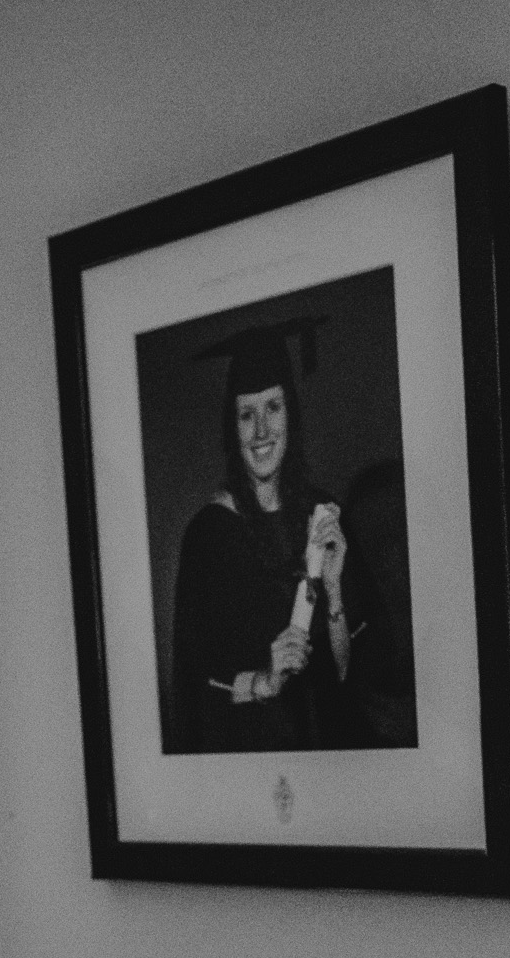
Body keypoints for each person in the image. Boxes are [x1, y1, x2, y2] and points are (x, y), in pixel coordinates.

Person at [167, 319, 402, 753]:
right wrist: (265, 680)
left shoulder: (324, 517)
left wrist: (333, 589)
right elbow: (197, 682)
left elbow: (351, 678)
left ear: (290, 414)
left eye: (272, 408)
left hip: (328, 754)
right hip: (252, 759)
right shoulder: (209, 536)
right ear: (231, 428)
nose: (260, 431)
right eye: (246, 414)